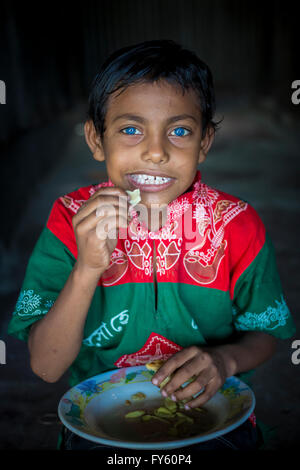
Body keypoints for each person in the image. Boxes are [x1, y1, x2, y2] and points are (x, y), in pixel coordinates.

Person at [8, 40, 295, 451]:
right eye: (130, 129)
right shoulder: (70, 220)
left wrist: (225, 361)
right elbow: (47, 366)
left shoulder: (238, 225)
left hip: (211, 411)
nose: (156, 152)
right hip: (101, 426)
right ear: (95, 139)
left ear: (205, 142)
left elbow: (266, 335)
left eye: (180, 131)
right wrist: (88, 266)